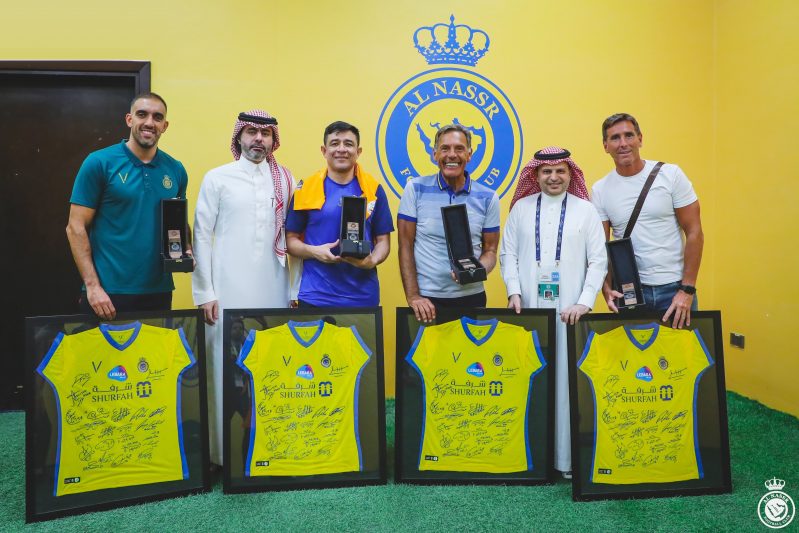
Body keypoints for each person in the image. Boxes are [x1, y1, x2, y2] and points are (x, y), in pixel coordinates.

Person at [192, 109, 296, 465]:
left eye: (265, 134)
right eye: (251, 132)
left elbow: (292, 239)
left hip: (274, 290)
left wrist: (293, 291)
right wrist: (205, 293)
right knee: (224, 368)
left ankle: (270, 450)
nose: (258, 139)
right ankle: (221, 457)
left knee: (270, 367)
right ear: (239, 137)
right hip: (225, 292)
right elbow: (201, 236)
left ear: (273, 140)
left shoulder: (285, 180)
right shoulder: (218, 178)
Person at [501, 146, 607, 477]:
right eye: (546, 171)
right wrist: (514, 292)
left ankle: (563, 461)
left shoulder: (585, 210)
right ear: (535, 175)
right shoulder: (520, 209)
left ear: (570, 174)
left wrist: (585, 301)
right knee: (528, 380)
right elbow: (508, 255)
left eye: (560, 171)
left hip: (569, 313)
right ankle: (531, 459)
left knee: (565, 386)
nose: (554, 177)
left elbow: (598, 260)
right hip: (528, 312)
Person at [66, 92, 189, 320]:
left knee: (154, 346)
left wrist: (186, 248)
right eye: (142, 114)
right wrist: (92, 286)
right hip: (107, 294)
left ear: (165, 126)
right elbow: (75, 227)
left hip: (159, 291)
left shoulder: (176, 169)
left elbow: (176, 223)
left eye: (157, 117)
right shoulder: (99, 162)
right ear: (129, 119)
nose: (149, 122)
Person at [592, 113, 704, 329]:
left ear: (640, 139)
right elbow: (601, 247)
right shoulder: (600, 189)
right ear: (605, 146)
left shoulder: (671, 175)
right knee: (634, 351)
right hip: (630, 292)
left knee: (680, 350)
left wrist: (687, 289)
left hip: (675, 290)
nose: (623, 143)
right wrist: (606, 287)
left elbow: (694, 232)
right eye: (615, 138)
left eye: (629, 135)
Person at [397, 124, 500, 323]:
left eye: (459, 148)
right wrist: (413, 296)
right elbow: (405, 245)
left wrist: (476, 271)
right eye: (445, 148)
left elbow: (491, 250)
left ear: (469, 154)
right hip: (427, 301)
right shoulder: (415, 189)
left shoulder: (488, 197)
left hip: (472, 298)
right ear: (435, 154)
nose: (452, 155)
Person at [285, 121, 394, 307]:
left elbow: (383, 241)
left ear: (358, 151)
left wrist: (372, 260)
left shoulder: (373, 189)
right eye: (335, 143)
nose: (341, 149)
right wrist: (315, 252)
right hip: (315, 296)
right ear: (324, 150)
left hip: (362, 297)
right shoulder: (305, 189)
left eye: (348, 144)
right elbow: (290, 241)